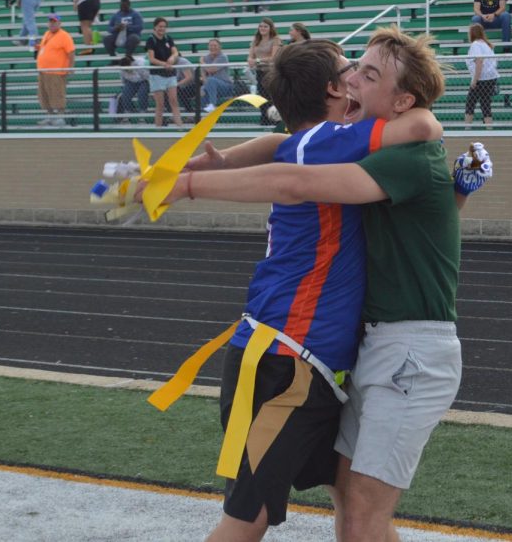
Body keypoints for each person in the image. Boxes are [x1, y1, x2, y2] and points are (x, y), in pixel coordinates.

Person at [157, 29, 476, 542]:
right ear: (333, 92)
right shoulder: (337, 145)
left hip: (342, 355)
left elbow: (296, 153)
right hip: (298, 355)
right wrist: (198, 178)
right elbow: (409, 127)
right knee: (331, 513)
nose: (354, 77)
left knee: (354, 513)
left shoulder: (347, 147)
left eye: (366, 73)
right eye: (352, 70)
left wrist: (208, 168)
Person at [35, 14, 75, 127]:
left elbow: (71, 52)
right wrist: (37, 47)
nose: (52, 24)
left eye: (54, 21)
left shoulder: (64, 36)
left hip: (56, 72)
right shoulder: (47, 34)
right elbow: (46, 48)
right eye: (50, 21)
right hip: (43, 71)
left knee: (57, 95)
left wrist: (70, 67)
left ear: (59, 23)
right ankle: (50, 116)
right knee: (44, 95)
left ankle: (60, 117)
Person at [145, 17, 182, 128]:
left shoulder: (168, 38)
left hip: (170, 74)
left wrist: (172, 58)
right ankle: (158, 129)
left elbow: (175, 52)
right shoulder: (151, 40)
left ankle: (180, 127)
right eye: (160, 26)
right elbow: (151, 59)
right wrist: (164, 64)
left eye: (164, 27)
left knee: (174, 101)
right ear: (155, 27)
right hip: (157, 75)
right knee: (160, 104)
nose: (162, 29)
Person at [247, 18, 281, 123]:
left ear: (270, 28)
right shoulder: (256, 40)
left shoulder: (275, 39)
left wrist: (257, 60)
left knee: (271, 95)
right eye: (261, 26)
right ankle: (264, 118)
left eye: (265, 26)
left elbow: (273, 57)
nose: (262, 28)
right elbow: (250, 57)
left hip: (271, 72)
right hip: (260, 72)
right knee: (262, 96)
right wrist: (251, 61)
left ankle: (274, 119)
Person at [464, 24, 498, 128]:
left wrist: (475, 80)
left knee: (470, 103)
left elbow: (479, 61)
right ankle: (489, 128)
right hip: (490, 78)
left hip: (481, 78)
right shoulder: (487, 45)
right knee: (485, 104)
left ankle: (467, 128)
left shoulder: (476, 45)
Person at [200, 38, 234, 112]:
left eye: (215, 45)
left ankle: (213, 105)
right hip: (211, 86)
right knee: (202, 89)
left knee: (211, 80)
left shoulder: (223, 57)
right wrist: (204, 87)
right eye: (211, 45)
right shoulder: (206, 58)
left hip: (225, 86)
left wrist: (202, 62)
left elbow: (211, 69)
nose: (213, 47)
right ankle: (202, 113)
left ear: (220, 47)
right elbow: (203, 75)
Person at [116, 53, 149, 119]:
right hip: (131, 82)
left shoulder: (140, 64)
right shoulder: (122, 68)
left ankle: (143, 110)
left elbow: (147, 77)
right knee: (125, 94)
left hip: (144, 81)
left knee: (141, 93)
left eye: (126, 68)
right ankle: (129, 110)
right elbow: (123, 80)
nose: (125, 70)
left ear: (130, 64)